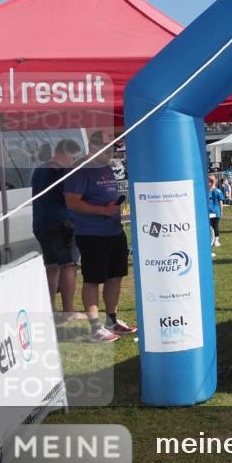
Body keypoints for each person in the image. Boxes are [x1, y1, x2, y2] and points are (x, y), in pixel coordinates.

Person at [63, 131, 136, 342]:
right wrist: (103, 210)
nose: (111, 153)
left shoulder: (105, 167)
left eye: (113, 149)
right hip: (92, 234)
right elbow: (72, 202)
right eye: (108, 149)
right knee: (93, 279)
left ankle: (111, 320)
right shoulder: (80, 170)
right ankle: (95, 328)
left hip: (114, 230)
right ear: (94, 147)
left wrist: (111, 209)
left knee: (116, 276)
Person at [32, 138, 87, 323]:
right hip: (62, 223)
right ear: (63, 153)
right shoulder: (61, 172)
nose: (73, 161)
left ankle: (51, 308)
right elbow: (71, 196)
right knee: (68, 266)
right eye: (72, 157)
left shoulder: (39, 169)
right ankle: (68, 311)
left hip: (41, 223)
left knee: (52, 267)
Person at [207, 174, 225, 257]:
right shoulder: (207, 191)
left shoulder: (217, 191)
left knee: (214, 226)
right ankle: (213, 241)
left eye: (210, 181)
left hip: (215, 211)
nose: (209, 182)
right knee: (211, 227)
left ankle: (216, 240)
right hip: (210, 212)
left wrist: (221, 211)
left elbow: (221, 202)